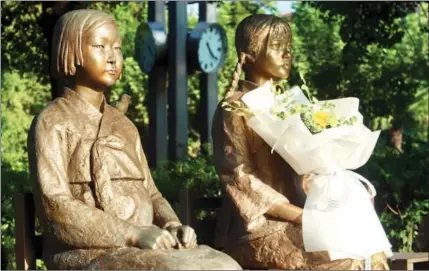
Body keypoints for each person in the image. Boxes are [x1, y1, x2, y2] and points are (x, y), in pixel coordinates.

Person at [28, 9, 241, 270]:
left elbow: (151, 193)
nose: (112, 57)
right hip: (86, 252)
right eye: (100, 46)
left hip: (143, 246)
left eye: (117, 48)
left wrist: (171, 224)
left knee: (224, 265)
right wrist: (132, 233)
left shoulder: (125, 126)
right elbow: (55, 206)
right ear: (71, 50)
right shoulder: (52, 122)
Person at [211, 14, 389, 270]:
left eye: (289, 47)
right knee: (347, 262)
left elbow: (308, 167)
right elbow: (240, 177)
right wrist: (303, 216)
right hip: (258, 227)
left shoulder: (291, 104)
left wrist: (338, 190)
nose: (286, 54)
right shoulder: (234, 109)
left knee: (374, 254)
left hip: (306, 214)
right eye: (276, 46)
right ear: (248, 54)